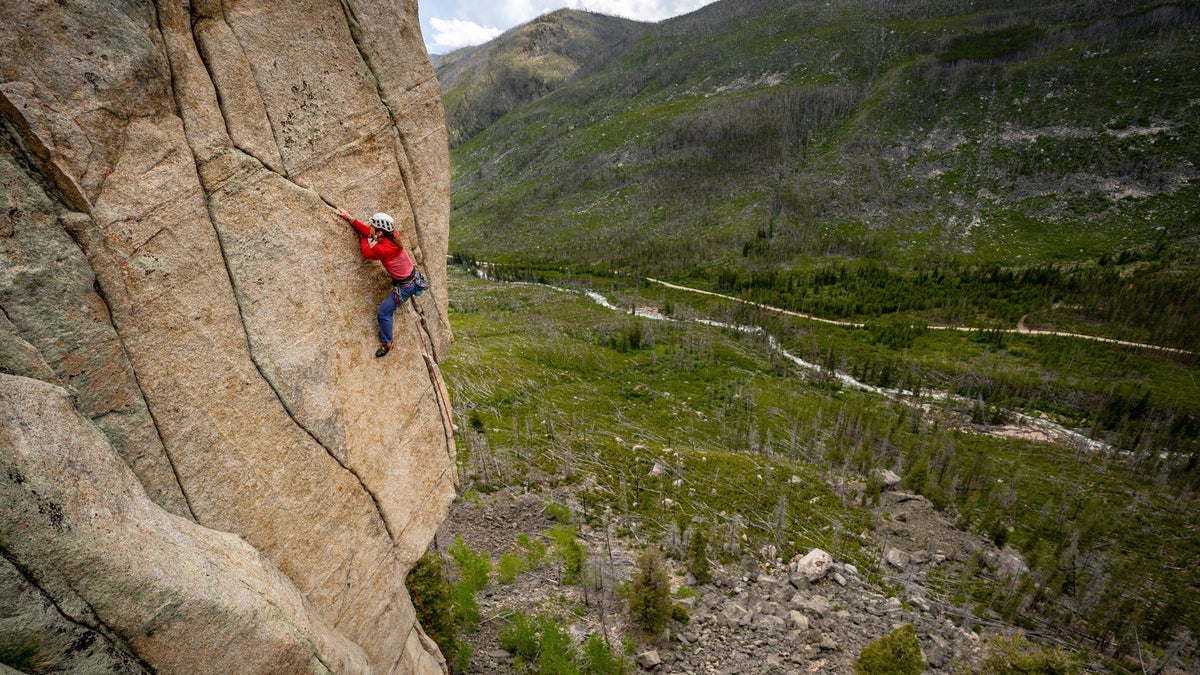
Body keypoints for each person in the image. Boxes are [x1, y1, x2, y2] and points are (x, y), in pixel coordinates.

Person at [335, 207, 426, 357]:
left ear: (379, 232)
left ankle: (387, 343)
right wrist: (351, 219)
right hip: (411, 277)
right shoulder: (393, 236)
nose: (369, 227)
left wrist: (362, 236)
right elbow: (370, 233)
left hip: (405, 286)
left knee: (383, 312)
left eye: (372, 226)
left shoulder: (383, 249)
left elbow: (366, 251)